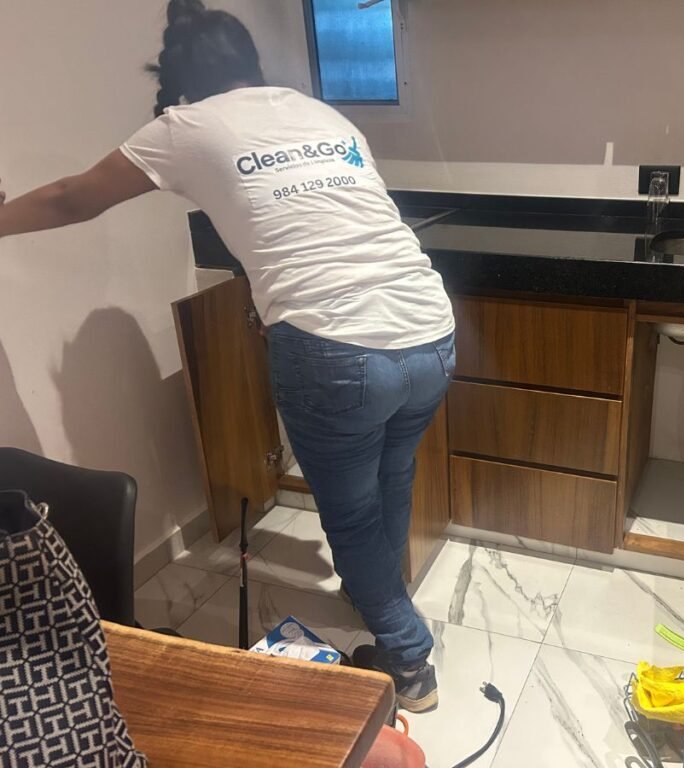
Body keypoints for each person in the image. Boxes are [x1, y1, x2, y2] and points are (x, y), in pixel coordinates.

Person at [0, 0, 453, 712]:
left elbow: (70, 199)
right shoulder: (320, 114)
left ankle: (408, 659)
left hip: (337, 349)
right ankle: (378, 597)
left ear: (182, 80)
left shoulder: (185, 126)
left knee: (353, 514)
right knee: (391, 482)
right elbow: (320, 222)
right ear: (251, 63)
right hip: (429, 330)